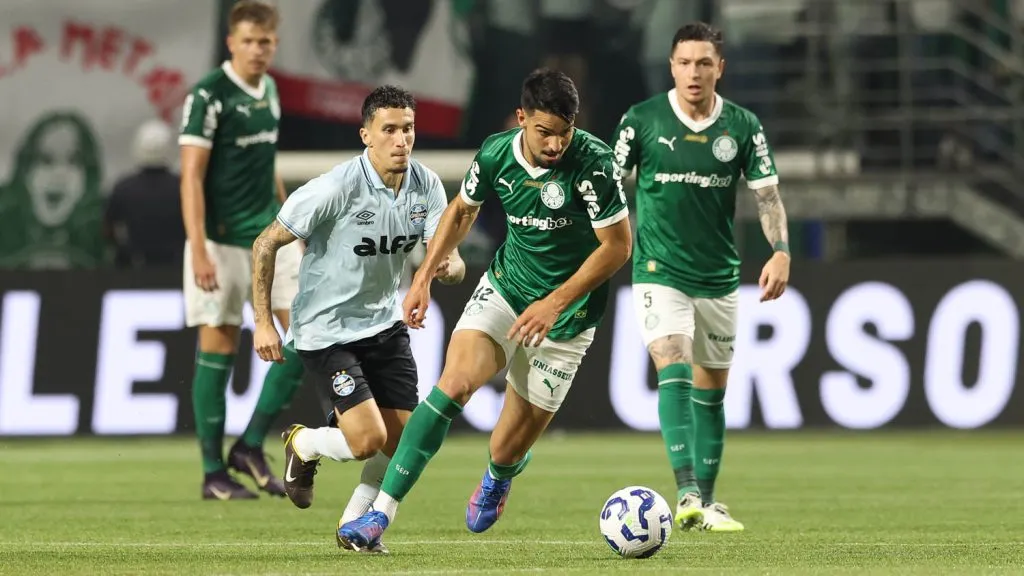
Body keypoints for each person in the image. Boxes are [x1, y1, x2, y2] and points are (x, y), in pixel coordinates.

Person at [338, 68, 633, 551]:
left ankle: (501, 473)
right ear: (522, 118)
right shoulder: (497, 153)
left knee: (505, 447)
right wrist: (423, 276)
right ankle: (379, 514)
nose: (556, 144)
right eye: (545, 132)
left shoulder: (595, 165)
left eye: (565, 132)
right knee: (452, 386)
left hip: (568, 318)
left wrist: (554, 303)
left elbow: (617, 247)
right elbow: (462, 210)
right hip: (506, 290)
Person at [249, 85, 464, 553]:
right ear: (366, 135)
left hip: (384, 324)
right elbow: (265, 244)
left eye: (408, 129)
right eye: (389, 130)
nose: (401, 140)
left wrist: (447, 267)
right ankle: (305, 443)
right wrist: (263, 321)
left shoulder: (426, 185)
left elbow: (448, 258)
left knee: (403, 441)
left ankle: (355, 528)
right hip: (326, 332)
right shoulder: (335, 188)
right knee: (367, 440)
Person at [612, 22, 791, 532]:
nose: (694, 72)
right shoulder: (641, 120)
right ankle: (686, 490)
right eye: (685, 63)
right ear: (671, 66)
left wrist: (781, 251)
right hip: (657, 269)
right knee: (673, 362)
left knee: (712, 391)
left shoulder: (743, 125)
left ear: (720, 68)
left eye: (704, 63)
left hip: (718, 274)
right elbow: (605, 185)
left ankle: (707, 504)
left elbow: (768, 196)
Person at [178, 0, 303, 500]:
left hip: (269, 237)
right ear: (231, 42)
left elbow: (267, 162)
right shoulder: (209, 95)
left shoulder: (270, 89)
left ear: (275, 44)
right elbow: (191, 175)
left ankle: (250, 444)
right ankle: (213, 472)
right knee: (219, 349)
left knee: (308, 339)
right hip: (220, 242)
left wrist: (288, 219)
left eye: (265, 42)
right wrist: (198, 249)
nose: (257, 50)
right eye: (248, 41)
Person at [105, 119, 184, 269]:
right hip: (176, 266)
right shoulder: (183, 187)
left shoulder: (124, 187)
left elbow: (108, 228)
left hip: (134, 266)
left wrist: (124, 249)